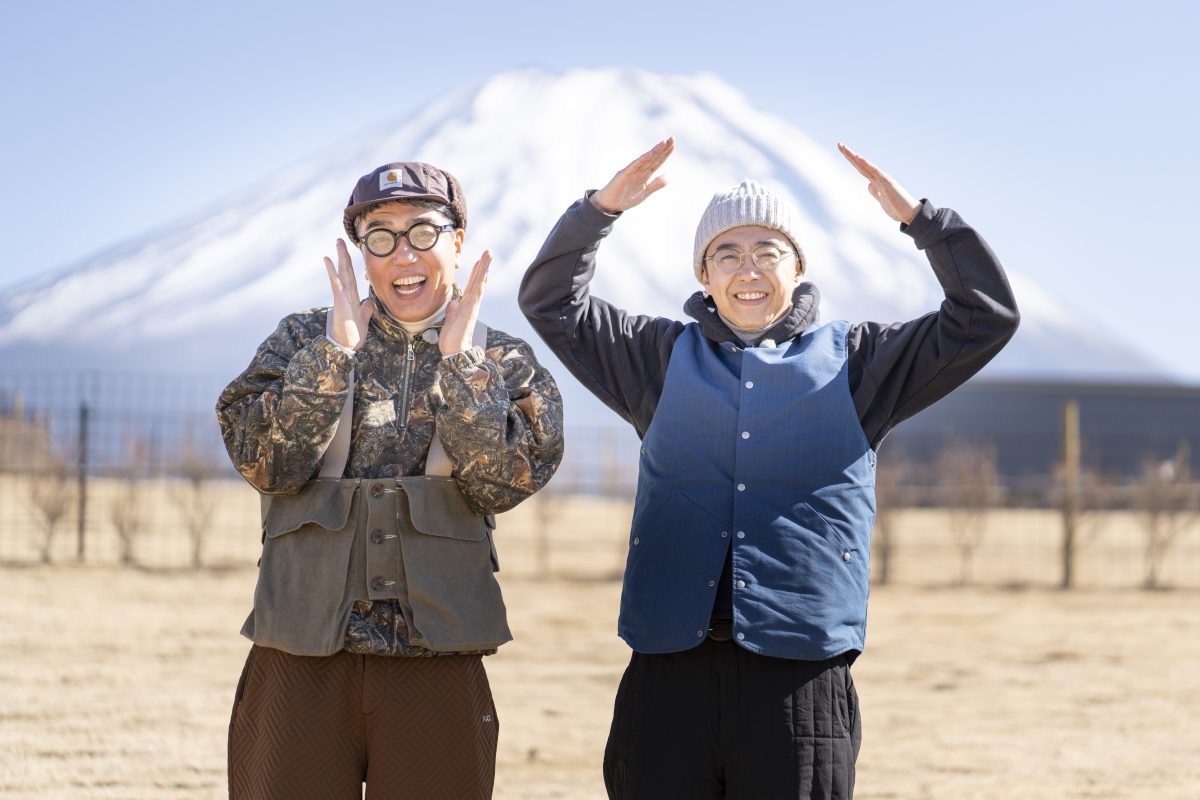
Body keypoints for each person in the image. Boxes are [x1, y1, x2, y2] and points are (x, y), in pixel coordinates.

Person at [519, 138, 1019, 799]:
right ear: (703, 275)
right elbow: (551, 303)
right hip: (667, 674)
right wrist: (598, 212)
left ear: (798, 267)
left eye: (767, 251)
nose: (747, 269)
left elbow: (983, 316)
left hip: (798, 680)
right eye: (726, 253)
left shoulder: (858, 363)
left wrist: (925, 223)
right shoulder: (657, 359)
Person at [217, 161, 564, 799]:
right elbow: (265, 464)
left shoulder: (504, 360)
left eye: (423, 232)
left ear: (458, 241)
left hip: (437, 664)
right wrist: (332, 358)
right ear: (361, 252)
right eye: (381, 237)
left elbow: (503, 486)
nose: (404, 254)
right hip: (300, 655)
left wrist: (464, 368)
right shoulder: (301, 341)